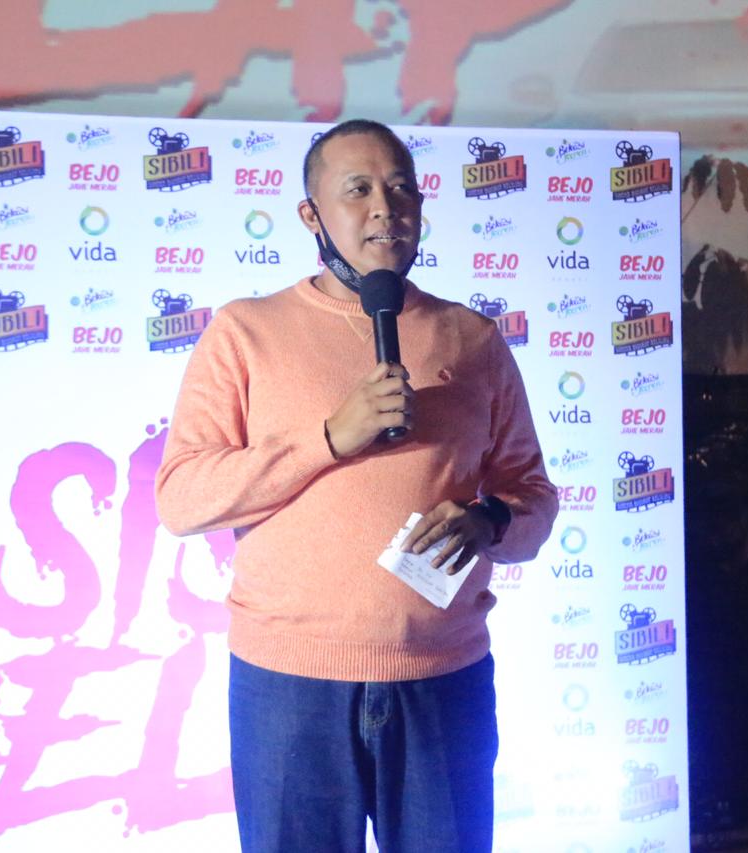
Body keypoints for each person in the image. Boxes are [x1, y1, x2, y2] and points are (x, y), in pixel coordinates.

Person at [155, 118, 557, 852]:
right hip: (287, 686)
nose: (385, 208)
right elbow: (182, 498)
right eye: (359, 190)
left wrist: (488, 521)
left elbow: (533, 497)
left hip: (443, 680)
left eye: (401, 189)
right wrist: (330, 437)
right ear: (311, 216)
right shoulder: (245, 332)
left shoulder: (473, 339)